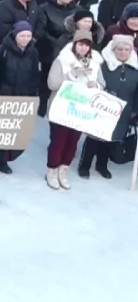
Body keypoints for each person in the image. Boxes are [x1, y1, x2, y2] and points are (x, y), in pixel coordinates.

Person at [46, 30, 104, 189]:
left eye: (87, 45)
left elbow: (102, 83)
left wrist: (96, 86)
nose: (83, 48)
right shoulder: (62, 60)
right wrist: (71, 74)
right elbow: (52, 84)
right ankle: (52, 170)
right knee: (58, 141)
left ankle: (63, 170)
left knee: (73, 142)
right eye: (80, 44)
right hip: (61, 109)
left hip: (80, 111)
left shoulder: (94, 63)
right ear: (74, 44)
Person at [78, 36, 138, 179]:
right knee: (94, 137)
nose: (123, 52)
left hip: (124, 110)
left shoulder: (135, 68)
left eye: (126, 49)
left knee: (111, 138)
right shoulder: (103, 65)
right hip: (102, 108)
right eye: (120, 49)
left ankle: (101, 165)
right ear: (113, 50)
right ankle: (84, 165)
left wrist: (135, 110)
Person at [0, 22, 38, 173]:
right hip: (2, 95)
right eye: (22, 35)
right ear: (15, 35)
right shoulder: (2, 50)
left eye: (28, 35)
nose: (26, 39)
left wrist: (32, 95)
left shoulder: (33, 52)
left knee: (11, 130)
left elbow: (34, 75)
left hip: (21, 96)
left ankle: (3, 160)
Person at [37, 0, 81, 112]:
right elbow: (41, 29)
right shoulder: (44, 8)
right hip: (49, 49)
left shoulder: (78, 10)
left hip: (71, 50)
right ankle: (43, 105)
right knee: (47, 78)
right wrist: (56, 42)